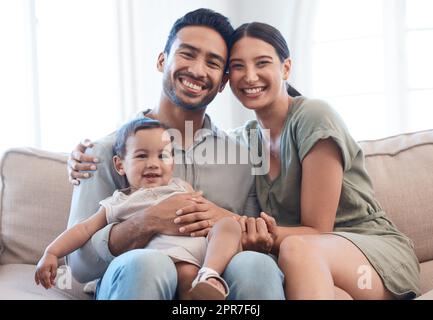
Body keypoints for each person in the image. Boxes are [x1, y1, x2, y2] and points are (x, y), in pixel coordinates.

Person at [66, 9, 285, 300]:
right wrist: (148, 220)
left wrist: (256, 238)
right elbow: (79, 266)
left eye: (213, 62)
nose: (197, 70)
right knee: (148, 263)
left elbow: (246, 237)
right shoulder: (104, 152)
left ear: (222, 82)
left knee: (256, 265)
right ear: (161, 60)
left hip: (212, 281)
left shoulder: (243, 158)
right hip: (137, 276)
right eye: (187, 54)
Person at [225, 21, 421, 299]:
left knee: (297, 248)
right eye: (237, 66)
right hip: (312, 268)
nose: (250, 76)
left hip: (371, 258)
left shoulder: (313, 117)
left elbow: (318, 231)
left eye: (262, 63)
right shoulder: (246, 139)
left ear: (286, 68)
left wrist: (232, 224)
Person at [36, 118, 245, 300]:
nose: (153, 164)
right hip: (167, 260)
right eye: (142, 156)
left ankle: (210, 273)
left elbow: (203, 213)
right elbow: (84, 229)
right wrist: (52, 252)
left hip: (203, 254)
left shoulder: (182, 187)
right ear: (120, 165)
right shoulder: (119, 201)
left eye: (162, 156)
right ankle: (204, 279)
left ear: (172, 164)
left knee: (227, 225)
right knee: (187, 280)